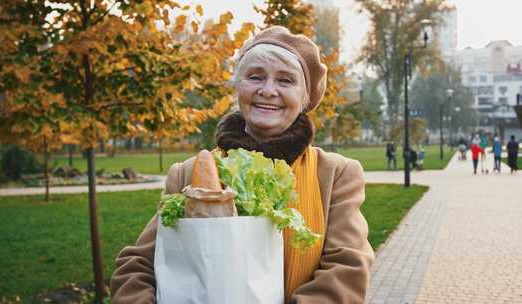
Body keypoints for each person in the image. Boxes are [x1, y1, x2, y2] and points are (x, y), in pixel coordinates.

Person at [110, 26, 374, 303]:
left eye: (285, 81)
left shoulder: (335, 174)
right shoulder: (188, 173)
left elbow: (347, 268)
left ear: (305, 98)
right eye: (255, 76)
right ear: (238, 87)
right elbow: (136, 265)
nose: (268, 90)